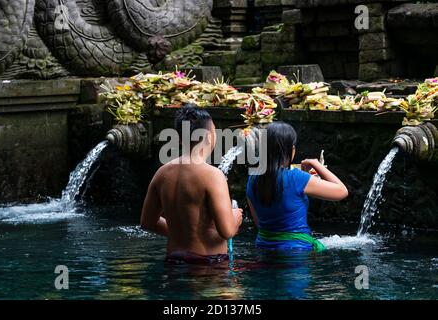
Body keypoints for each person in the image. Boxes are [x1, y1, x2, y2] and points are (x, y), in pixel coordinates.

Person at [140, 104, 243, 264]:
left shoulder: (162, 173)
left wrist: (182, 233)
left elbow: (147, 222)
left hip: (173, 261)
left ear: (180, 138)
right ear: (209, 136)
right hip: (207, 265)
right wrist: (236, 217)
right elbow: (227, 230)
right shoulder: (213, 175)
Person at [246, 122, 348, 252]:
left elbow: (259, 223)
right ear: (291, 150)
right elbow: (342, 191)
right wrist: (316, 164)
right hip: (295, 250)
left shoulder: (252, 179)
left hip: (264, 247)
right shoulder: (297, 177)